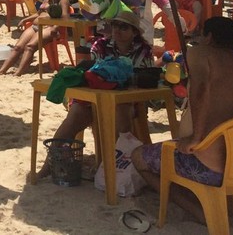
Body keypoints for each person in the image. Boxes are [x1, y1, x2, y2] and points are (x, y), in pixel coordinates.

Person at [132, 17, 233, 216]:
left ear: (209, 37)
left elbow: (201, 89)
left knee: (138, 156)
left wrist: (196, 138)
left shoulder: (201, 53)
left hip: (211, 168)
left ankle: (198, 211)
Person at [38, 9, 153, 180]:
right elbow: (91, 75)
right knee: (76, 114)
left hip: (127, 102)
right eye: (115, 25)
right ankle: (50, 163)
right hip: (94, 99)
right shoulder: (101, 46)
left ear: (134, 32)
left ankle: (110, 164)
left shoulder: (143, 51)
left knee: (121, 110)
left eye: (123, 27)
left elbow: (147, 81)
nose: (117, 31)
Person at [0, 0, 72, 76]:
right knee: (17, 47)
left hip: (48, 27)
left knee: (30, 46)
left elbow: (65, 17)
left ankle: (18, 73)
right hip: (36, 25)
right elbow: (38, 14)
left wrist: (56, 27)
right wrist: (25, 19)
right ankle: (2, 71)